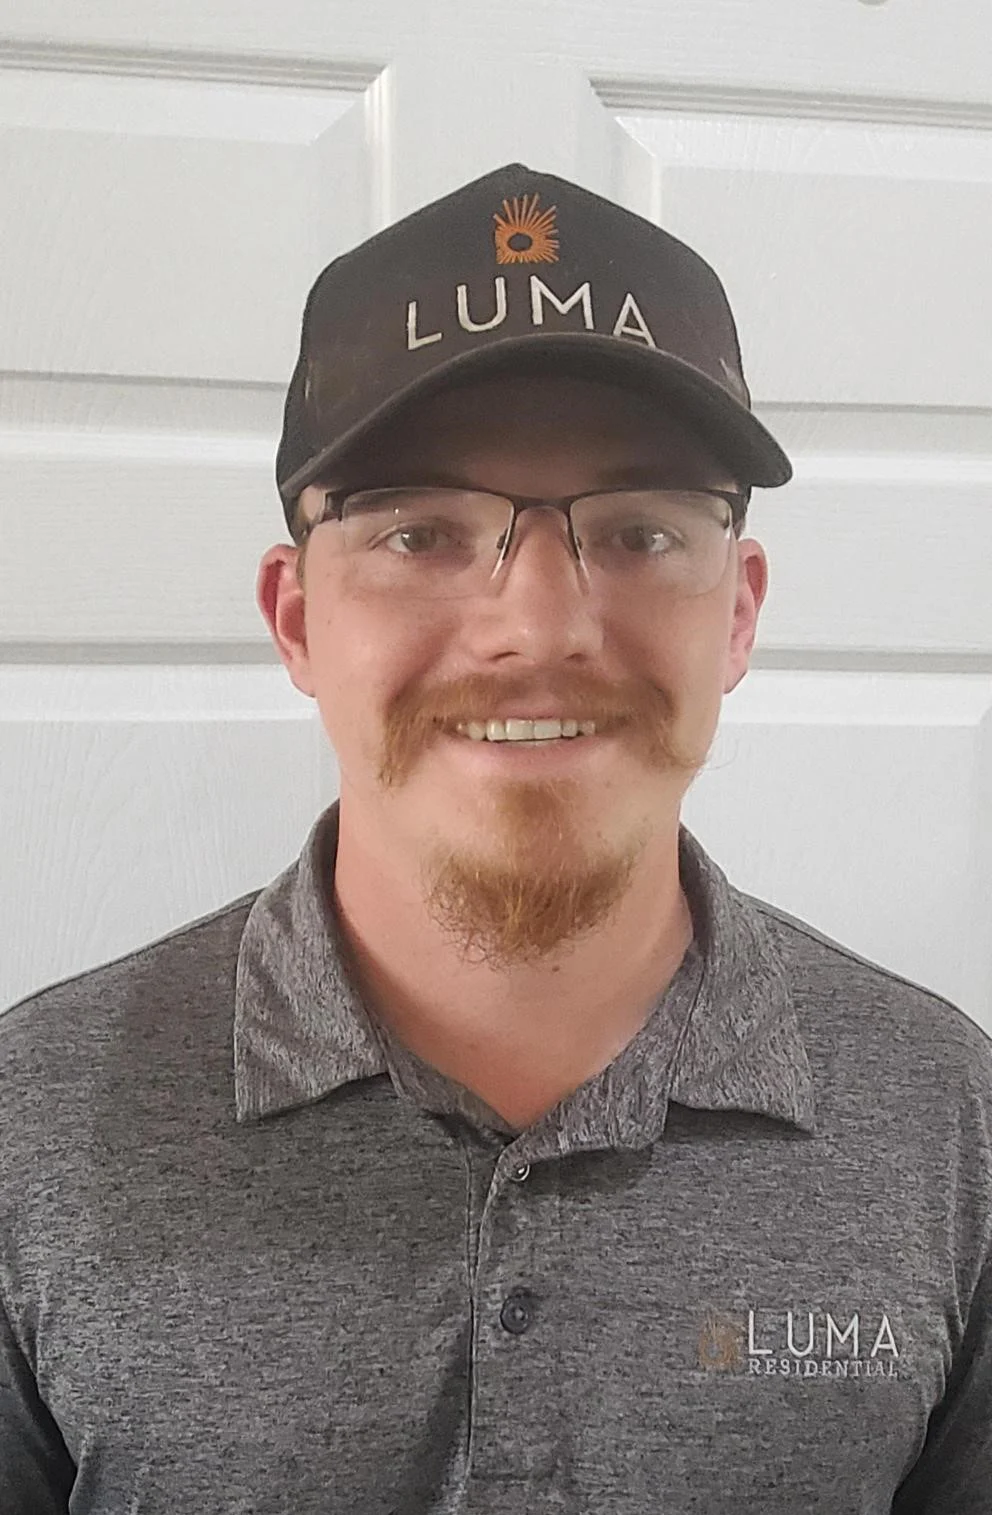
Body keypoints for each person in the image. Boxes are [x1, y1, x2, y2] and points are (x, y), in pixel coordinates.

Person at [1, 163, 990, 1515]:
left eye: (640, 532)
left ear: (739, 613)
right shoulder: (33, 1125)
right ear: (296, 618)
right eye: (421, 533)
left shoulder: (947, 1122)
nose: (537, 627)